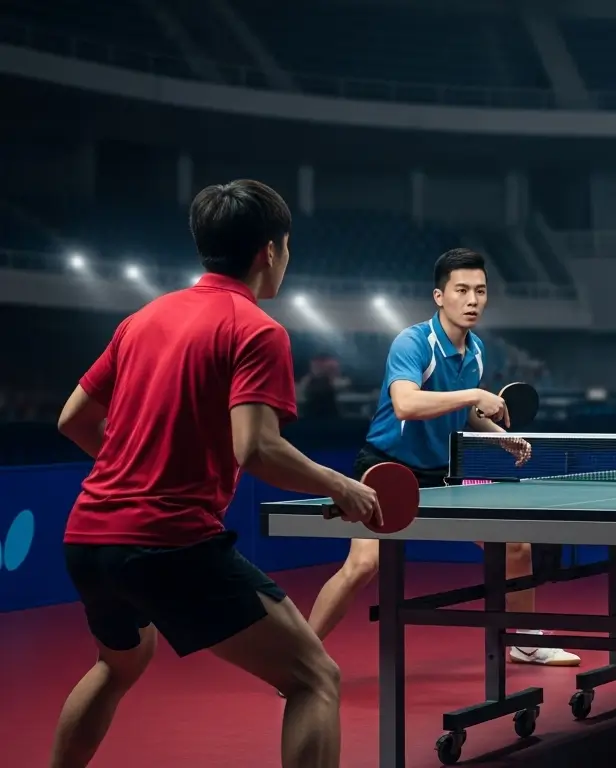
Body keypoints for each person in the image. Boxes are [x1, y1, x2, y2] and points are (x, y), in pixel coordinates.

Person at [51, 179, 381, 768]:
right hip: (170, 543)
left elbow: (73, 419)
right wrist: (342, 485)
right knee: (315, 678)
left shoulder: (143, 318)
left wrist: (131, 471)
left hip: (88, 538)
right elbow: (257, 449)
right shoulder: (256, 330)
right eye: (287, 245)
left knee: (117, 664)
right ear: (270, 251)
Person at [305, 248, 581, 667]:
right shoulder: (413, 342)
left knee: (516, 548)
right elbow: (406, 404)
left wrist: (499, 437)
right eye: (462, 290)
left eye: (481, 291)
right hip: (388, 469)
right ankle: (300, 657)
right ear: (439, 296)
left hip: (440, 472)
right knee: (362, 565)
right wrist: (475, 394)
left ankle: (525, 640)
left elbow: (463, 412)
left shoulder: (476, 351)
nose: (472, 300)